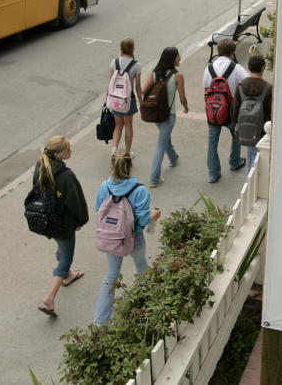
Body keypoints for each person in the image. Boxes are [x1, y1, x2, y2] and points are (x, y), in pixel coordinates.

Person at [93, 151, 162, 324]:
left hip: (112, 239)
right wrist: (153, 216)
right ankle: (148, 306)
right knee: (141, 265)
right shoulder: (140, 190)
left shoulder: (104, 187)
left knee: (110, 276)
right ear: (131, 165)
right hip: (134, 237)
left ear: (112, 166)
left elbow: (98, 210)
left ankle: (100, 321)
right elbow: (144, 218)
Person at [34, 135, 89, 317]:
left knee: (61, 247)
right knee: (66, 258)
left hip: (47, 220)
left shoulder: (41, 167)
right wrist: (81, 220)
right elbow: (75, 201)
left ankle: (69, 275)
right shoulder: (65, 175)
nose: (71, 151)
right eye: (68, 149)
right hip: (64, 224)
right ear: (58, 154)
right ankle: (50, 297)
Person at [140, 47, 189, 187]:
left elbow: (143, 90)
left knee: (164, 137)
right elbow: (182, 98)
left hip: (155, 114)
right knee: (161, 144)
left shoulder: (154, 73)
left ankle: (173, 158)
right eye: (178, 56)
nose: (180, 58)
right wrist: (186, 108)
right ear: (172, 59)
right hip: (169, 115)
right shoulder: (178, 76)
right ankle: (154, 178)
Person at [202, 38, 249, 183]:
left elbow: (205, 88)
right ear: (232, 52)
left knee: (212, 141)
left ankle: (213, 173)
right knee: (236, 136)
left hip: (213, 110)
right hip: (231, 110)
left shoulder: (209, 68)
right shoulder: (235, 67)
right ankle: (234, 162)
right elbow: (248, 82)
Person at [232, 54, 272, 181]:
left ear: (249, 68)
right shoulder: (268, 88)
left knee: (252, 157)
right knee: (259, 161)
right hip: (263, 130)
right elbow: (270, 112)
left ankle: (250, 182)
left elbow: (235, 111)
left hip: (247, 128)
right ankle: (251, 183)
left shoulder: (240, 86)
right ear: (263, 68)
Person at [109, 38, 143, 155]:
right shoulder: (136, 65)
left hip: (115, 99)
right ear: (132, 48)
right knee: (128, 124)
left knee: (118, 125)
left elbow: (110, 84)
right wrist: (141, 101)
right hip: (129, 99)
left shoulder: (114, 62)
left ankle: (114, 150)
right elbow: (138, 87)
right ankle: (127, 152)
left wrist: (107, 100)